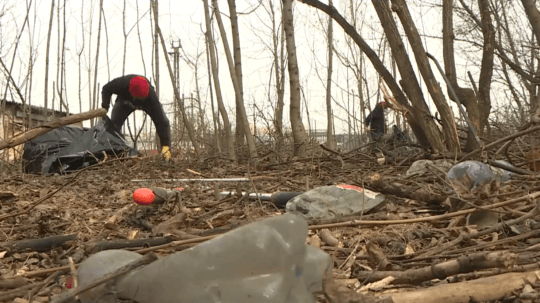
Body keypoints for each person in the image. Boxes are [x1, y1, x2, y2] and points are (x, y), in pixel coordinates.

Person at [101, 74, 171, 161]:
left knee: (162, 120)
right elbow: (106, 89)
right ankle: (112, 151)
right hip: (125, 102)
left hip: (146, 102)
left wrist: (165, 146)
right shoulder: (121, 84)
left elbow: (162, 123)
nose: (137, 106)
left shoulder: (152, 99)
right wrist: (105, 107)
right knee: (114, 125)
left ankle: (165, 153)